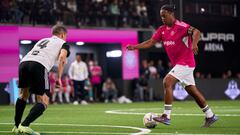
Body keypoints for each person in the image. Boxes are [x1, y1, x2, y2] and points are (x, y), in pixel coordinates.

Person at [127, 4, 218, 128]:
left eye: (164, 16)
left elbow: (196, 32)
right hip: (180, 64)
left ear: (171, 14)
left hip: (186, 62)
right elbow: (150, 42)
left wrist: (194, 44)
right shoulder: (161, 30)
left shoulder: (181, 26)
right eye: (161, 17)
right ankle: (210, 115)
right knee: (193, 91)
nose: (162, 18)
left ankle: (166, 116)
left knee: (167, 81)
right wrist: (135, 47)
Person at [13, 24, 70, 134]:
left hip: (24, 63)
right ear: (63, 35)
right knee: (44, 100)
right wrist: (59, 78)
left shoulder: (42, 40)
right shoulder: (63, 43)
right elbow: (62, 58)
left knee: (23, 95)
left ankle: (16, 126)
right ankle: (24, 125)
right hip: (39, 65)